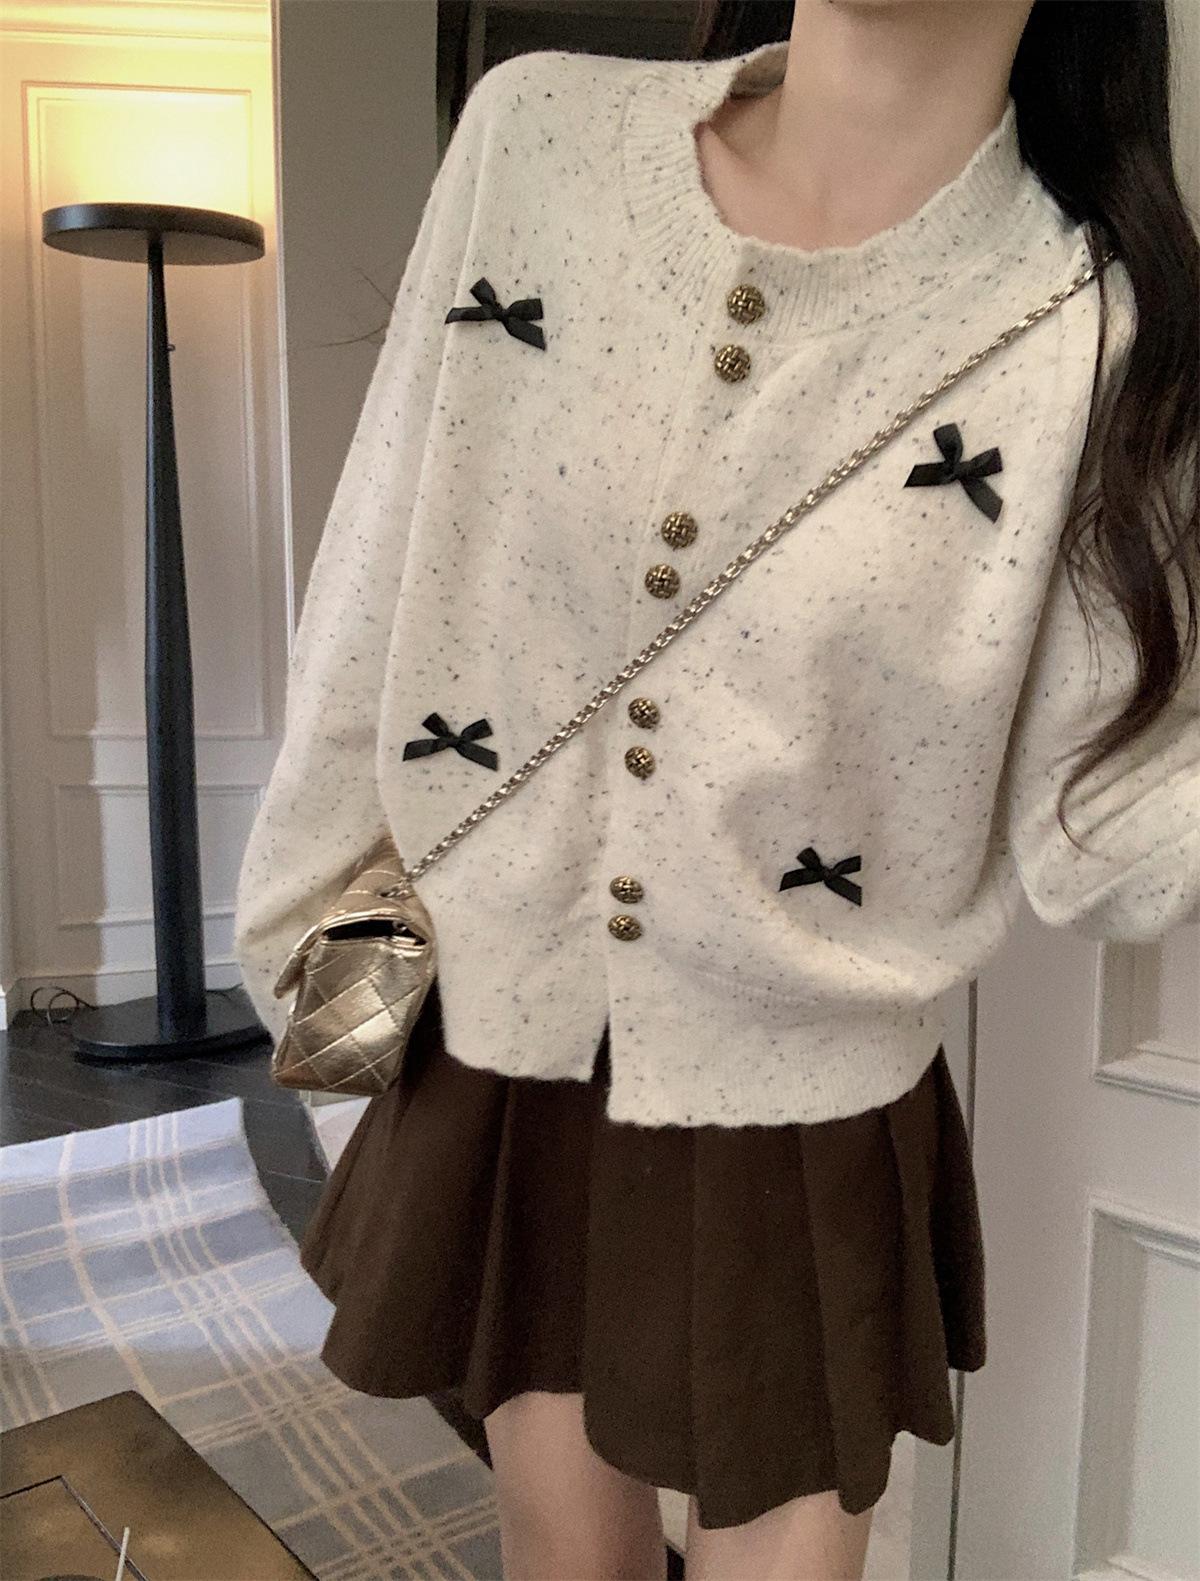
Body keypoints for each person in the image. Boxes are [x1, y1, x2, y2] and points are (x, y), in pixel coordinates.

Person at [234, 1, 1199, 1576]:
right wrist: (305, 938)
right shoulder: (539, 138)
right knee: (565, 1551)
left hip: (806, 1101)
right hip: (500, 1032)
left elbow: (1107, 830)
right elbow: (381, 567)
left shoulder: (1095, 326)